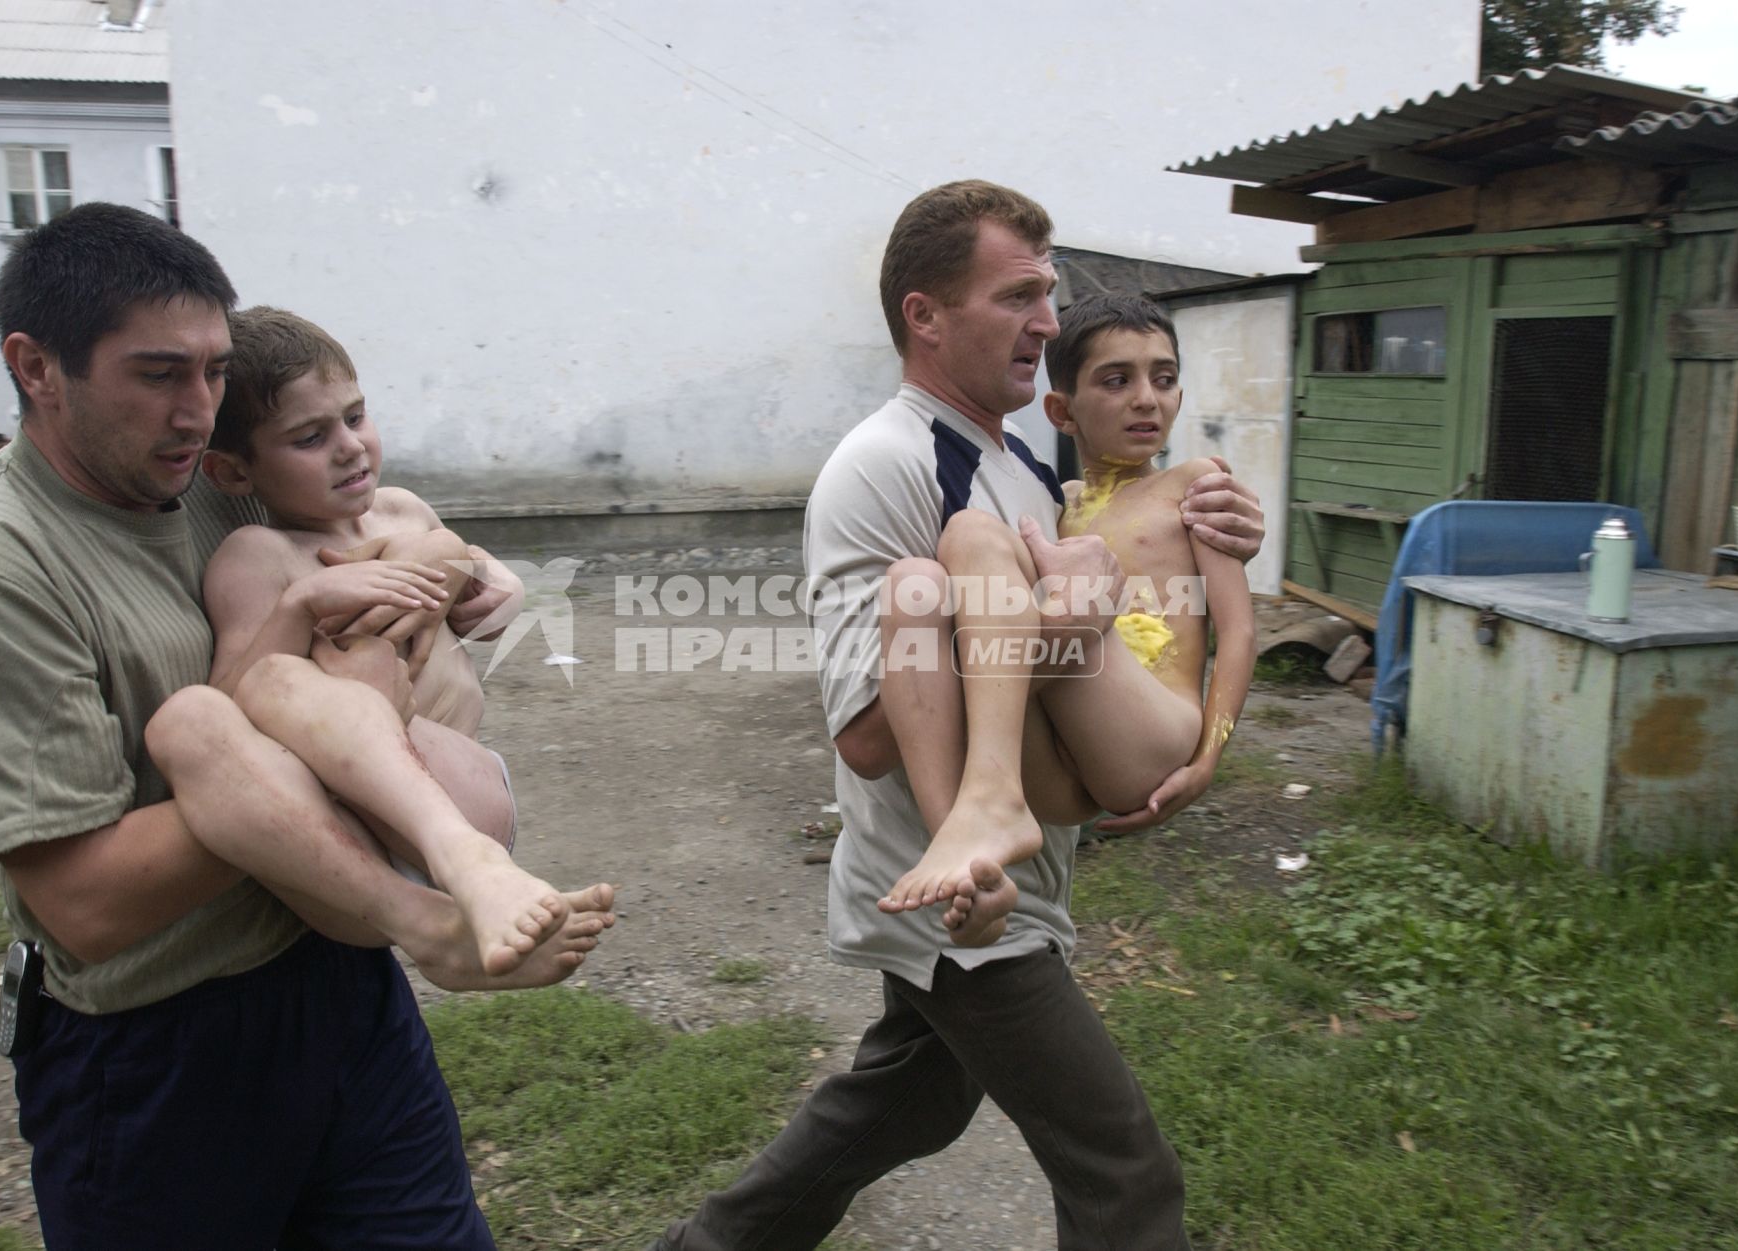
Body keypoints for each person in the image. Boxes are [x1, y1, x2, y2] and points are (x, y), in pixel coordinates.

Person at [0, 202, 548, 1249]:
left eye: (215, 371)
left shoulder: (213, 483)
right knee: (201, 723)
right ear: (35, 367)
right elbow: (85, 905)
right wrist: (323, 772)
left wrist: (459, 578)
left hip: (343, 993)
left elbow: (391, 544)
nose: (198, 411)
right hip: (159, 1052)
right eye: (157, 375)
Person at [653, 181, 1264, 1251]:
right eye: (1017, 294)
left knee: (909, 1103)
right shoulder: (890, 464)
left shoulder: (1021, 463)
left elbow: (1134, 601)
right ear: (924, 316)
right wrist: (1042, 635)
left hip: (997, 883)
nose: (1045, 321)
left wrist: (1200, 537)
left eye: (1050, 293)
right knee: (1124, 1170)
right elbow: (862, 730)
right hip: (968, 899)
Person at [181, 304, 612, 982]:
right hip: (359, 842)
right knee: (265, 685)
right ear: (235, 474)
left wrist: (483, 576)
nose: (349, 445)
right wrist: (302, 603)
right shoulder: (258, 556)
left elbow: (491, 612)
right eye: (309, 437)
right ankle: (452, 915)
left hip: (459, 790)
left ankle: (467, 873)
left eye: (355, 417)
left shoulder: (407, 513)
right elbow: (235, 702)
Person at [877, 292, 1255, 941]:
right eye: (1117, 379)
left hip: (1151, 737)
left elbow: (1240, 629)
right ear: (1062, 410)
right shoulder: (1058, 500)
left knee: (1000, 568)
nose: (1147, 398)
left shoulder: (1193, 483)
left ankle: (985, 805)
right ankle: (969, 856)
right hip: (1059, 768)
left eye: (1164, 379)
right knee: (950, 553)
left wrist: (1208, 758)